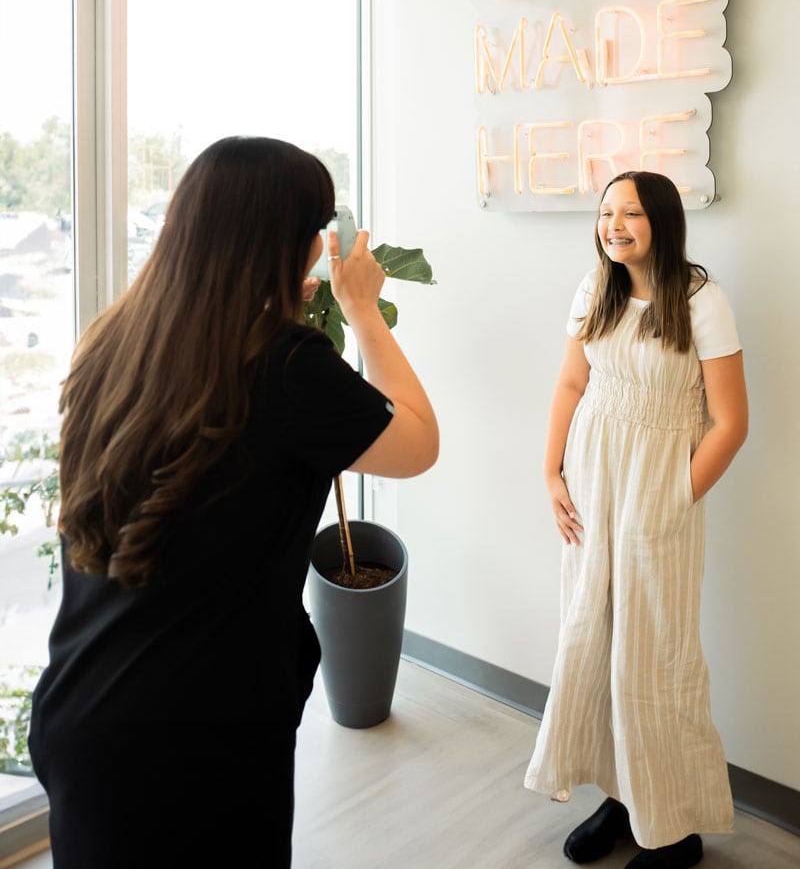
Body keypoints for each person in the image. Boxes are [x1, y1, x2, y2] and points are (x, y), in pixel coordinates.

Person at [27, 135, 439, 868]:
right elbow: (416, 444)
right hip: (193, 739)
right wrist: (362, 310)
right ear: (295, 244)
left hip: (82, 711)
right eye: (318, 229)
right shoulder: (282, 363)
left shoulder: (115, 342)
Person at [524, 171, 748, 869]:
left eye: (630, 213)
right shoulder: (596, 289)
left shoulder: (702, 301)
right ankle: (623, 801)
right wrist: (551, 472)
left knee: (656, 659)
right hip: (592, 490)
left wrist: (674, 497)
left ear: (662, 221)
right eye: (604, 212)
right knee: (597, 641)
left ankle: (675, 827)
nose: (613, 224)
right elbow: (571, 382)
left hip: (658, 498)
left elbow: (731, 425)